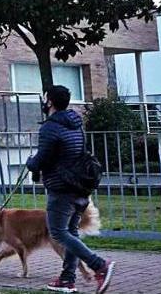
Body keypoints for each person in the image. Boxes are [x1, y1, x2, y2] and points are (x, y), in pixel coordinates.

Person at [26, 85, 115, 294]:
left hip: (62, 187)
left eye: (45, 97)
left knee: (58, 232)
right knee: (72, 231)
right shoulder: (75, 124)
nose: (43, 101)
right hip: (80, 185)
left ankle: (100, 265)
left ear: (49, 102)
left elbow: (42, 159)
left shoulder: (49, 128)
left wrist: (31, 163)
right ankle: (67, 279)